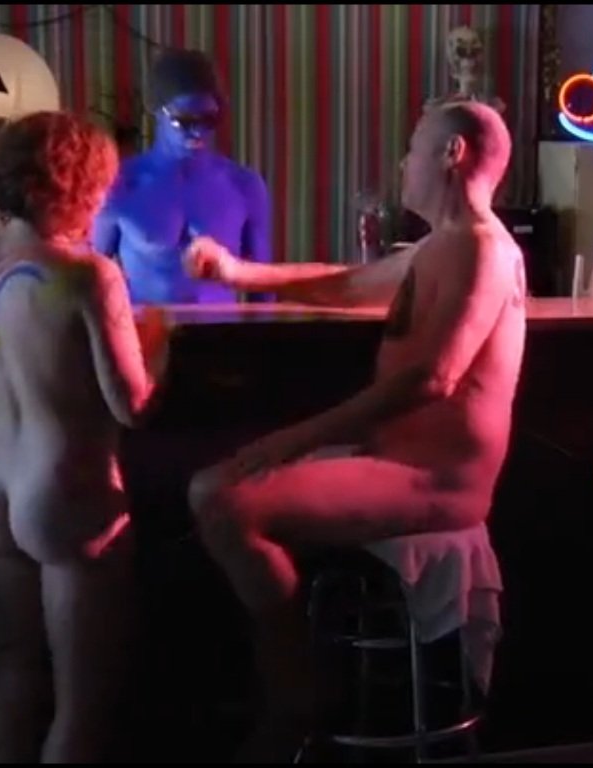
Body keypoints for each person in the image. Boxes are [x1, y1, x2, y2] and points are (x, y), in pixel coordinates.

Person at [183, 100, 527, 760]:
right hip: (395, 463)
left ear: (452, 153)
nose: (403, 162)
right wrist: (238, 273)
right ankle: (295, 690)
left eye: (414, 147)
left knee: (223, 500)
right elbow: (346, 284)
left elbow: (432, 378)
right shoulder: (443, 245)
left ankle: (295, 702)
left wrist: (296, 439)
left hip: (436, 482)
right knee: (213, 490)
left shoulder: (482, 249)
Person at [0, 110, 172, 762]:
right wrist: (159, 342)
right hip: (63, 486)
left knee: (15, 678)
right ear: (82, 186)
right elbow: (132, 405)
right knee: (82, 708)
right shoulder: (88, 276)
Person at [92, 47, 273, 305]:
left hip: (222, 327)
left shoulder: (243, 186)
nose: (198, 131)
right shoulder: (120, 184)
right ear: (157, 111)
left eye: (208, 120)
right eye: (184, 121)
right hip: (146, 327)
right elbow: (89, 275)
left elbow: (263, 291)